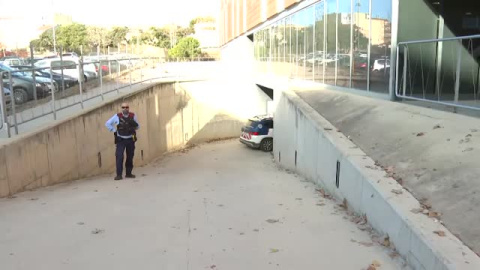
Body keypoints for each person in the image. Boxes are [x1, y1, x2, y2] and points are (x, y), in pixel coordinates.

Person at [105, 102, 140, 180]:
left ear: (128, 108)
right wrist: (114, 130)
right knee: (119, 156)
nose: (125, 109)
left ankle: (128, 173)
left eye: (126, 107)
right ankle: (119, 175)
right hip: (121, 140)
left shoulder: (132, 116)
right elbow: (107, 123)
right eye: (123, 107)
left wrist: (132, 126)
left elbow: (138, 126)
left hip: (130, 139)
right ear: (121, 108)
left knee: (130, 157)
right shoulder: (117, 116)